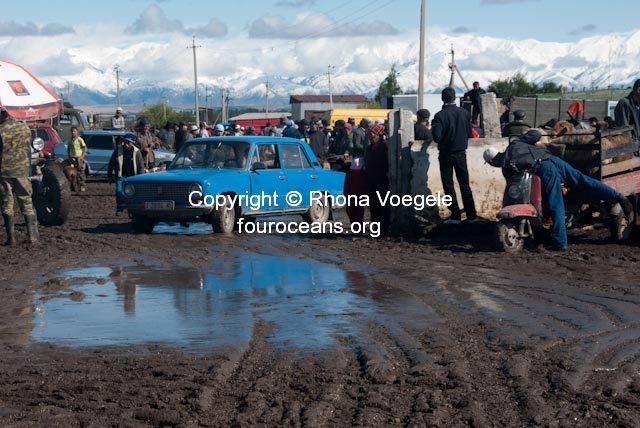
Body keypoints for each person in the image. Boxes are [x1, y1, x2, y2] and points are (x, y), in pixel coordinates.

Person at [487, 129, 632, 251]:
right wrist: (525, 139)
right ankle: (618, 196)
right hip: (550, 160)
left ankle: (560, 242)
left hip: (544, 170)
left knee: (555, 202)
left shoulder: (506, 166)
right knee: (582, 181)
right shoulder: (515, 144)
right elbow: (536, 134)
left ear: (492, 162)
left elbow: (513, 183)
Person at [432, 87, 477, 224]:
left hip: (446, 153)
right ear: (454, 98)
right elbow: (470, 133)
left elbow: (437, 137)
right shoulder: (464, 113)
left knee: (448, 185)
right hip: (461, 153)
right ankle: (471, 215)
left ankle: (455, 214)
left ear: (442, 98)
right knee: (464, 183)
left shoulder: (440, 116)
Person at [0, 106, 38, 244]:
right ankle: (32, 236)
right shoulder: (25, 129)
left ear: (3, 115)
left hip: (4, 171)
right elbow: (27, 148)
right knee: (26, 202)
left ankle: (11, 238)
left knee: (7, 203)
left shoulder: (1, 130)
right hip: (22, 170)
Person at [365, 124, 390, 234]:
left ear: (378, 134)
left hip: (382, 180)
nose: (369, 136)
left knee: (383, 206)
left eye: (371, 134)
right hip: (371, 180)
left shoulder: (384, 146)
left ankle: (384, 228)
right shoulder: (369, 148)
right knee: (373, 206)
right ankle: (376, 228)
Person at [108, 137, 146, 211]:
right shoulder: (118, 150)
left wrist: (142, 176)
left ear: (132, 143)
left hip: (132, 176)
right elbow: (111, 162)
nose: (126, 145)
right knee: (119, 191)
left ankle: (133, 207)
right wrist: (109, 175)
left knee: (133, 193)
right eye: (125, 142)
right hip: (121, 175)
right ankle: (120, 206)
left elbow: (140, 166)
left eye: (128, 143)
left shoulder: (137, 152)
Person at [67, 126, 87, 192]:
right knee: (72, 172)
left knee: (81, 172)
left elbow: (85, 148)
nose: (73, 133)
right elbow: (68, 149)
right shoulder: (69, 140)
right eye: (72, 131)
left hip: (79, 158)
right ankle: (72, 186)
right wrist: (69, 156)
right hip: (72, 158)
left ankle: (82, 185)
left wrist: (82, 156)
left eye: (74, 131)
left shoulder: (80, 139)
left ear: (77, 132)